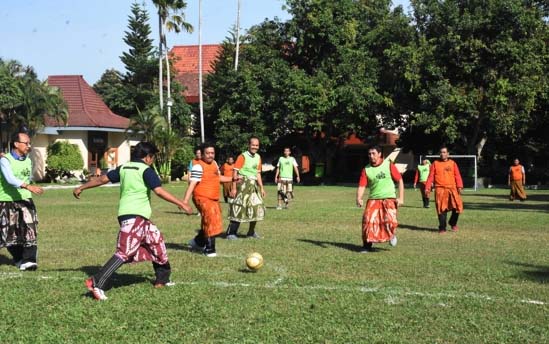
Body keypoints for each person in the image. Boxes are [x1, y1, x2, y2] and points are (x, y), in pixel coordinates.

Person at [74, 142, 192, 301]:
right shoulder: (146, 170)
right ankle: (97, 282)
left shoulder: (125, 167)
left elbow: (102, 179)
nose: (153, 161)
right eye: (153, 158)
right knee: (124, 251)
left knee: (156, 241)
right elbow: (159, 191)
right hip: (134, 216)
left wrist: (82, 187)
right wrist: (181, 203)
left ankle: (162, 280)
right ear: (148, 157)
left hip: (134, 216)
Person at [0, 132, 44, 271]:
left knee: (30, 228)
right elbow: (10, 179)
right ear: (16, 144)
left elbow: (27, 178)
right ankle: (19, 258)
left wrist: (28, 188)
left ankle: (29, 260)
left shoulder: (28, 160)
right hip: (6, 200)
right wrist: (28, 186)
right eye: (26, 143)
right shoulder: (5, 160)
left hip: (25, 198)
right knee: (9, 233)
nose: (28, 146)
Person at [184, 143, 234, 257]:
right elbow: (192, 184)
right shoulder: (198, 166)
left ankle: (198, 241)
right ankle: (210, 249)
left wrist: (233, 178)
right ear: (202, 154)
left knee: (213, 218)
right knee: (211, 219)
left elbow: (218, 178)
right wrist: (185, 201)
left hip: (213, 198)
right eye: (208, 153)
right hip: (201, 197)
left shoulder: (215, 164)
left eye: (212, 153)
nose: (210, 155)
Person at [356, 145, 404, 253]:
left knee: (390, 221)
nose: (371, 156)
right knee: (368, 221)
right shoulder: (366, 169)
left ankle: (391, 235)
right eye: (369, 154)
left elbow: (400, 181)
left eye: (373, 153)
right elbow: (362, 186)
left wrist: (401, 198)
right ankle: (366, 246)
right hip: (373, 200)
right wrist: (359, 198)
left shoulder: (389, 165)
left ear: (380, 154)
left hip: (389, 199)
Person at [225, 136, 266, 239]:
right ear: (249, 145)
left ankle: (251, 232)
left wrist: (261, 187)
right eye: (253, 145)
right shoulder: (242, 156)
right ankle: (232, 233)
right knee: (239, 207)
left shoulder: (258, 157)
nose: (255, 147)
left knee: (257, 207)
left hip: (253, 185)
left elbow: (258, 174)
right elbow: (235, 172)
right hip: (242, 184)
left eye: (257, 145)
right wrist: (234, 188)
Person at [425, 147, 464, 233]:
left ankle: (453, 223)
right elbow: (430, 176)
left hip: (452, 189)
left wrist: (459, 186)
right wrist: (427, 187)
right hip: (440, 190)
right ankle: (442, 228)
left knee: (457, 207)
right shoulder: (435, 163)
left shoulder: (453, 163)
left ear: (448, 154)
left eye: (444, 152)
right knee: (442, 209)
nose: (442, 154)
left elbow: (457, 175)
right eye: (441, 152)